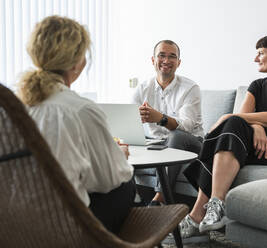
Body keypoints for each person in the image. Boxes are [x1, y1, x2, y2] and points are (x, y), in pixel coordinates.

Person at [179, 33, 267, 240]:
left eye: (261, 53)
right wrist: (257, 127)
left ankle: (198, 213)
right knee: (231, 129)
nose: (255, 58)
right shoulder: (257, 86)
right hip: (255, 143)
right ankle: (215, 205)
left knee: (229, 124)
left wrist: (232, 116)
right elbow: (242, 120)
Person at [16, 15, 135, 234]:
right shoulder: (80, 109)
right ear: (77, 61)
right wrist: (119, 156)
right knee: (127, 180)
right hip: (64, 225)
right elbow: (108, 180)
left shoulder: (13, 106)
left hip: (15, 221)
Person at [132, 40, 204, 205]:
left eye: (172, 56)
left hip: (191, 143)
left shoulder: (190, 88)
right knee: (122, 142)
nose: (166, 60)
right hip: (155, 143)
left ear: (178, 62)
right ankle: (131, 197)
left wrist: (160, 118)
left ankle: (160, 198)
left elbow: (186, 127)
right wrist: (136, 118)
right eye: (161, 55)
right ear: (153, 60)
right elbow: (130, 122)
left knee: (176, 135)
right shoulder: (142, 88)